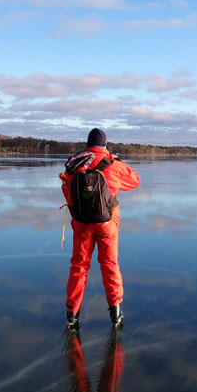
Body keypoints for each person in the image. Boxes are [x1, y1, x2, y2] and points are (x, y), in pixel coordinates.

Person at [59, 128, 140, 330]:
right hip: (107, 222)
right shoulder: (113, 164)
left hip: (81, 223)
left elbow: (67, 191)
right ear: (104, 145)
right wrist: (115, 161)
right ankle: (115, 312)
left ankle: (72, 313)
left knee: (79, 266)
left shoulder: (75, 163)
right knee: (109, 264)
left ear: (87, 145)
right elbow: (135, 181)